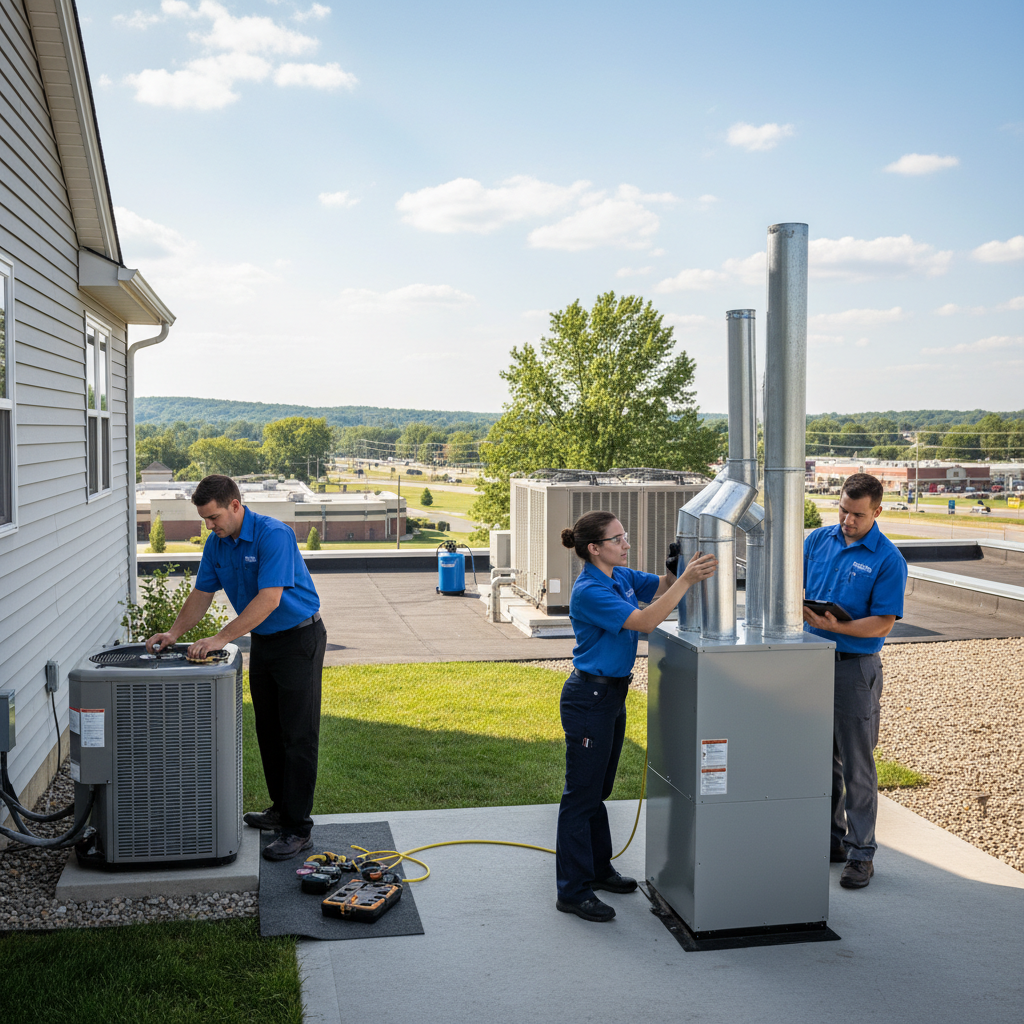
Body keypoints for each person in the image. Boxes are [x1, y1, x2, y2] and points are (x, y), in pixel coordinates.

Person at [146, 475, 328, 862]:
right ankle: (281, 810)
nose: (209, 526)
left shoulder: (273, 535)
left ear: (234, 504)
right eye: (204, 520)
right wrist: (174, 632)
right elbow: (201, 594)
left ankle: (298, 829)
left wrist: (219, 639)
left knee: (298, 735)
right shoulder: (217, 544)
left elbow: (270, 599)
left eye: (213, 517)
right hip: (265, 641)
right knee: (269, 729)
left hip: (299, 640)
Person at [555, 510, 717, 922]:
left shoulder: (621, 578)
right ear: (594, 549)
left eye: (625, 536)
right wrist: (687, 579)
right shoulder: (590, 590)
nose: (626, 544)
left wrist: (674, 569)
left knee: (599, 790)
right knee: (581, 795)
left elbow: (661, 587)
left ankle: (597, 869)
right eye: (618, 539)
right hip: (589, 697)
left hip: (611, 694)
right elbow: (646, 620)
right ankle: (572, 891)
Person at [802, 472, 908, 890]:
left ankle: (862, 854)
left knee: (856, 763)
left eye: (857, 515)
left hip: (853, 668)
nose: (847, 520)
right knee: (819, 758)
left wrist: (835, 626)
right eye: (843, 510)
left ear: (877, 511)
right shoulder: (817, 540)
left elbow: (883, 623)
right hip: (810, 662)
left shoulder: (887, 559)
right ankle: (832, 841)